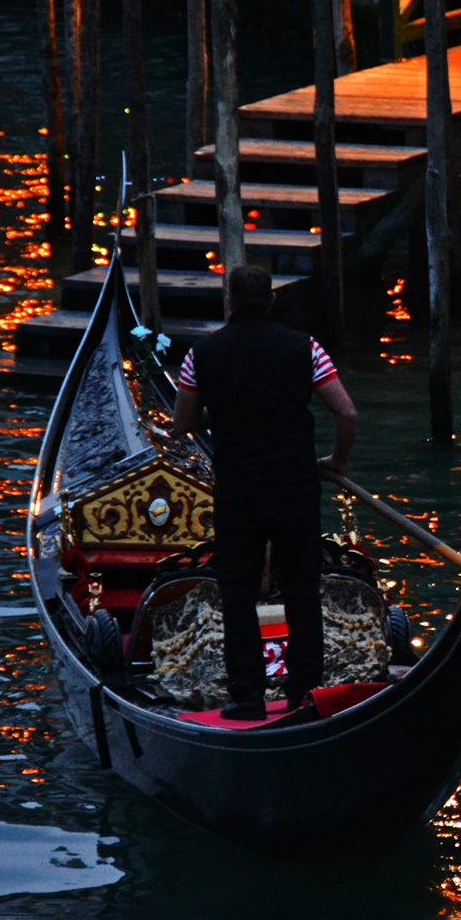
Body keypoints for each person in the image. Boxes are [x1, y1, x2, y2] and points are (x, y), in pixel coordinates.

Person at [172, 265, 358, 720]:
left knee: (237, 595)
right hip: (296, 485)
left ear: (230, 302)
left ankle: (249, 699)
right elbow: (347, 413)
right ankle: (303, 696)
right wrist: (336, 462)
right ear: (272, 301)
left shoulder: (202, 353)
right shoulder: (305, 347)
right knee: (301, 592)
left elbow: (183, 423)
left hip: (238, 490)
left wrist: (224, 417)